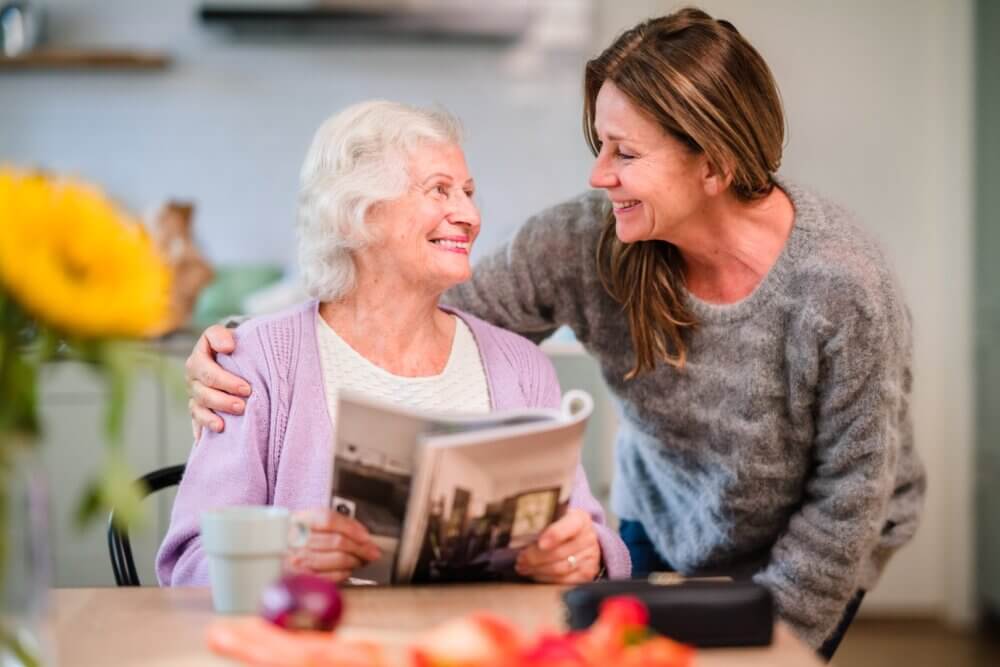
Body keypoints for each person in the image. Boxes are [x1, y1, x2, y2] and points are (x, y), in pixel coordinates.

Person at [183, 8, 925, 660]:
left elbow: (849, 493)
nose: (598, 176)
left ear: (714, 164)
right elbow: (405, 300)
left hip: (817, 544)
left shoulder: (841, 285)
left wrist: (770, 638)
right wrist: (248, 345)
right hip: (663, 521)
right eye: (599, 144)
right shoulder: (588, 239)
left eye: (625, 153)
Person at [157, 100, 630, 587]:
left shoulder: (522, 366)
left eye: (468, 192)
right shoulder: (257, 362)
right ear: (353, 216)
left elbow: (589, 536)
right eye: (439, 191)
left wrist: (581, 555)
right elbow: (191, 559)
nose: (468, 214)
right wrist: (280, 563)